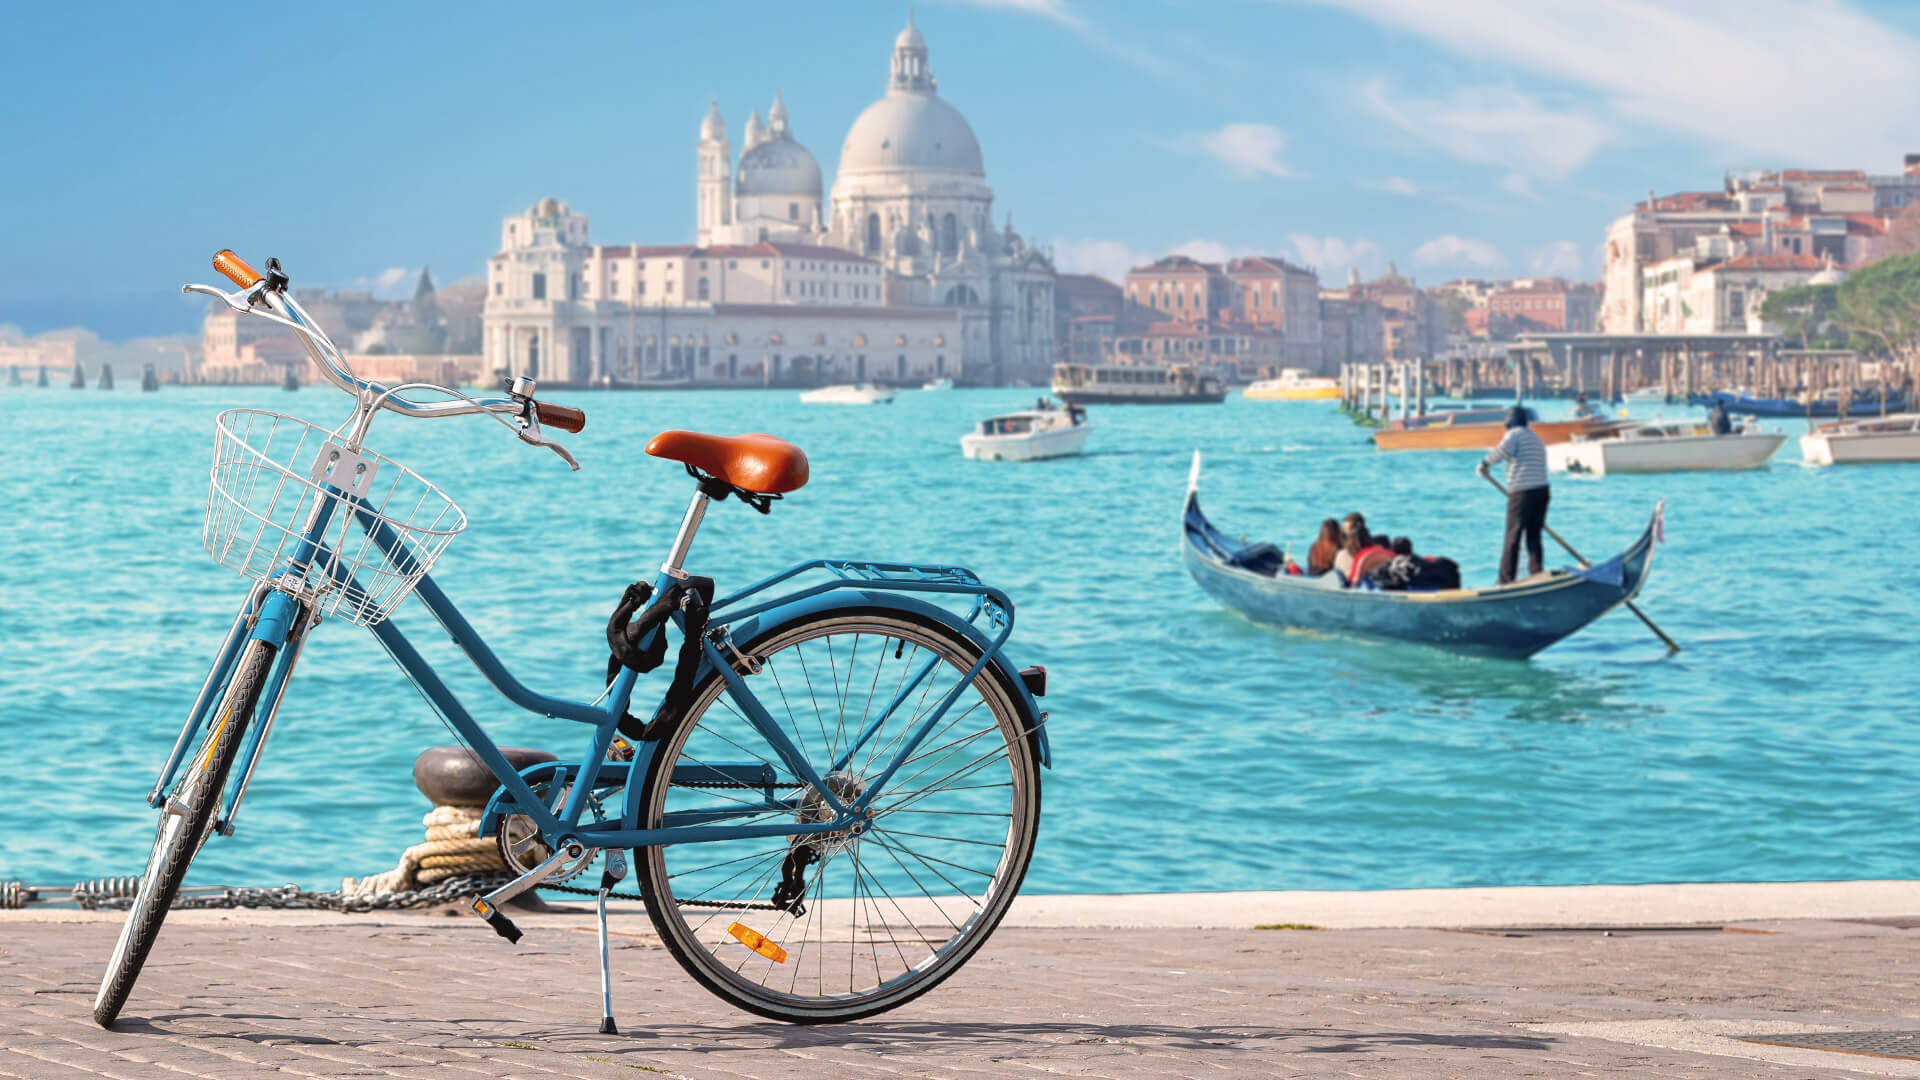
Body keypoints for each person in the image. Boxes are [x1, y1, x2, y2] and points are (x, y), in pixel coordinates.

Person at [1477, 405, 1551, 585]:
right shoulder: (1535, 437)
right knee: (1534, 535)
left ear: (1512, 419)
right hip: (1542, 491)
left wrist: (1485, 463)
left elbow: (1502, 451)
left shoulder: (1514, 434)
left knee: (1513, 535)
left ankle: (1506, 579)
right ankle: (1536, 573)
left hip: (1522, 492)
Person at [1333, 514, 1369, 581]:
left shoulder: (1366, 544)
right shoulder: (1340, 543)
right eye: (1345, 529)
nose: (1347, 533)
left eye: (1349, 529)